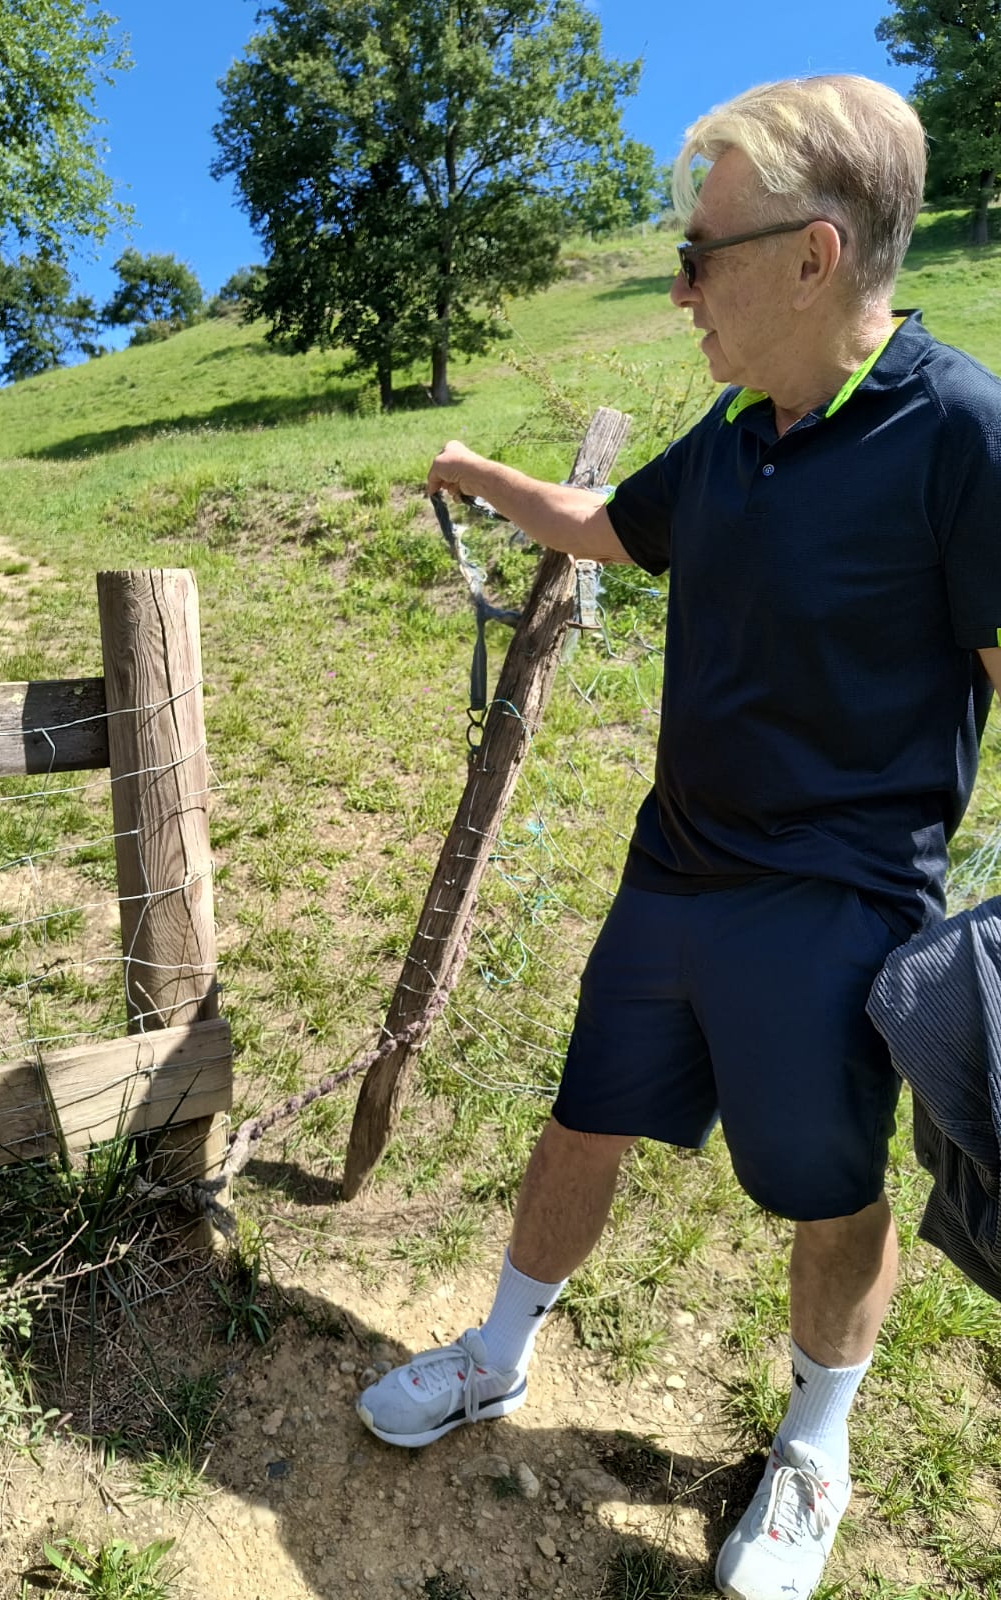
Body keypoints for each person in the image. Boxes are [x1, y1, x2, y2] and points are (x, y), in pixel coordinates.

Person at [355, 74, 1001, 1600]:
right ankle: (499, 1353)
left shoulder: (960, 431)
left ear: (814, 256)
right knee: (582, 1117)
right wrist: (478, 477)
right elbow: (606, 528)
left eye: (701, 254)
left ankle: (815, 1448)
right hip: (674, 864)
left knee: (830, 1190)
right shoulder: (730, 435)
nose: (680, 287)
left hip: (840, 898)